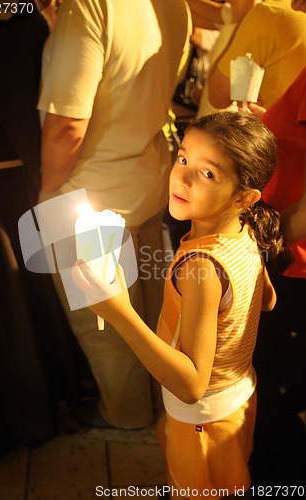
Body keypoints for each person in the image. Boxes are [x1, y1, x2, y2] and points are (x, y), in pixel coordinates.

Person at [72, 112, 294, 498]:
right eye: (183, 158)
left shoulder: (202, 268)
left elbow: (191, 385)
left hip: (203, 421)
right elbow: (268, 300)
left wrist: (118, 312)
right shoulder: (244, 230)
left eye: (208, 173)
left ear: (244, 197)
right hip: (238, 396)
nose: (183, 177)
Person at [37, 0, 192, 429]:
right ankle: (165, 403)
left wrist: (49, 191)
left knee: (104, 324)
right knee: (149, 311)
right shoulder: (175, 6)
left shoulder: (90, 6)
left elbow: (68, 124)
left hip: (88, 192)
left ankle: (126, 414)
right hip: (147, 178)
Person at [0, 1, 92, 463]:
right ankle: (52, 392)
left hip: (9, 181)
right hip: (22, 176)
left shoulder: (10, 25)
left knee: (5, 299)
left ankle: (24, 406)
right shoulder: (18, 22)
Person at [243, 0, 306, 486]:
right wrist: (273, 127)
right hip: (285, 255)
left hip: (295, 265)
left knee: (276, 395)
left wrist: (272, 242)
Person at [207, 0, 306, 110]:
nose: (296, 7)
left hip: (260, 125)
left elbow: (217, 97)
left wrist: (243, 18)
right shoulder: (273, 11)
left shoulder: (267, 13)